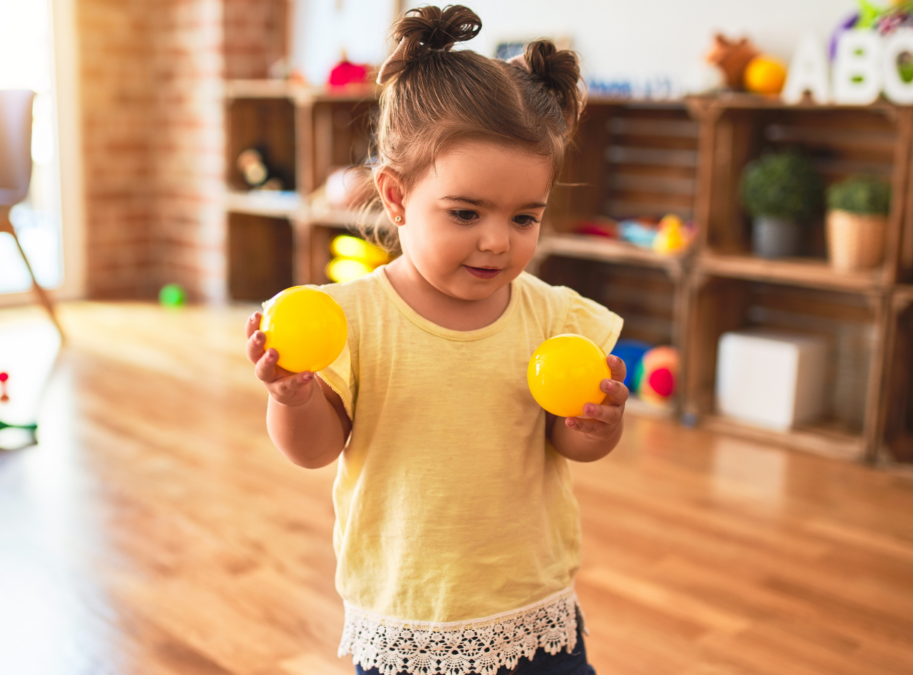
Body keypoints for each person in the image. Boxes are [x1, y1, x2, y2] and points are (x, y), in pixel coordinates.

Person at [244, 5, 627, 674]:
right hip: (408, 622)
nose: (496, 240)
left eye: (524, 217)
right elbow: (314, 451)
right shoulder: (352, 319)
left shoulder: (554, 315)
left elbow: (569, 443)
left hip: (531, 611)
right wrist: (293, 395)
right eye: (466, 212)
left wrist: (596, 424)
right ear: (395, 198)